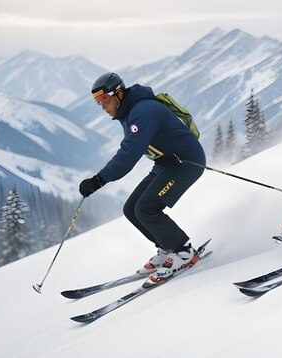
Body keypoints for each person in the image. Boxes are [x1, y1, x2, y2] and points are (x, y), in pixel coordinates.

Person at [79, 72, 206, 283]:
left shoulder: (142, 112)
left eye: (104, 99)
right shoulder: (128, 111)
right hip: (167, 163)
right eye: (97, 102)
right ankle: (167, 249)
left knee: (146, 208)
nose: (102, 106)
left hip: (185, 163)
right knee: (131, 209)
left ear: (118, 93)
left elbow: (128, 155)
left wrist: (99, 179)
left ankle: (184, 253)